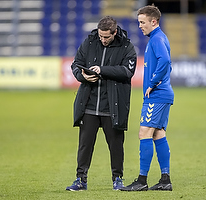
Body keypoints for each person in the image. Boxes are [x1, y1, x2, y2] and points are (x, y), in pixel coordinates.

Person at [66, 16, 137, 191]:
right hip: (89, 104)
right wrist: (83, 76)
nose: (103, 40)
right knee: (85, 145)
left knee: (116, 145)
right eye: (101, 36)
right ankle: (80, 180)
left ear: (114, 32)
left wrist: (102, 70)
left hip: (112, 105)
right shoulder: (90, 42)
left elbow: (128, 71)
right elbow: (76, 64)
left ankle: (118, 179)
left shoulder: (126, 46)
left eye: (106, 37)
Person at [120, 5, 174, 191]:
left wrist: (152, 82)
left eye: (143, 22)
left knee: (144, 133)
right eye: (139, 22)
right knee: (158, 133)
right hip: (163, 94)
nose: (140, 26)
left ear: (154, 21)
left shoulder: (157, 39)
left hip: (157, 96)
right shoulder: (159, 38)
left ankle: (142, 181)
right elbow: (168, 63)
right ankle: (165, 180)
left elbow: (165, 61)